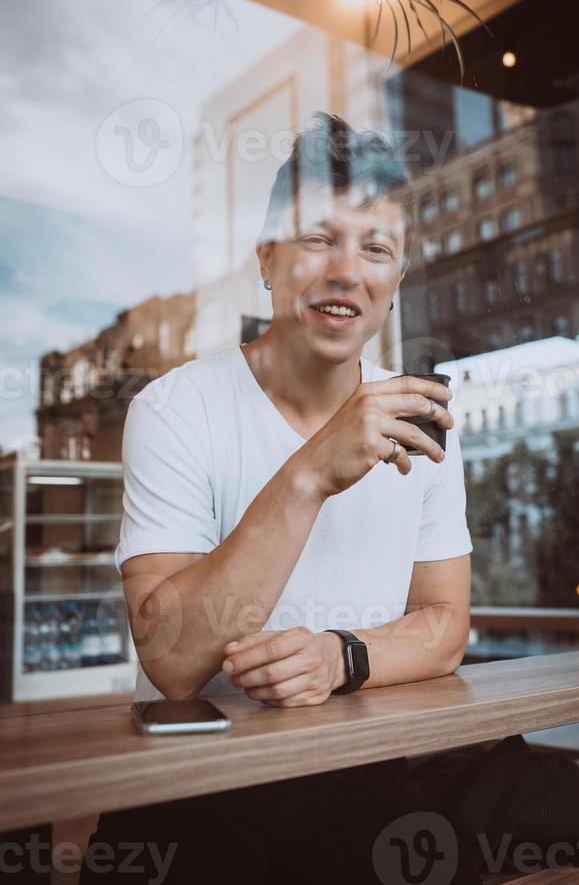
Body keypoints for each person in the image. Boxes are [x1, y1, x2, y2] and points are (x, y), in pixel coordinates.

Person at [80, 112, 473, 884]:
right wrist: (309, 472)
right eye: (317, 238)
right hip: (192, 789)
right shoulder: (174, 408)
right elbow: (173, 661)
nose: (345, 272)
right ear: (267, 260)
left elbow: (446, 625)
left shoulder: (422, 421)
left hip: (358, 774)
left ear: (396, 282)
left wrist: (341, 657)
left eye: (376, 249)